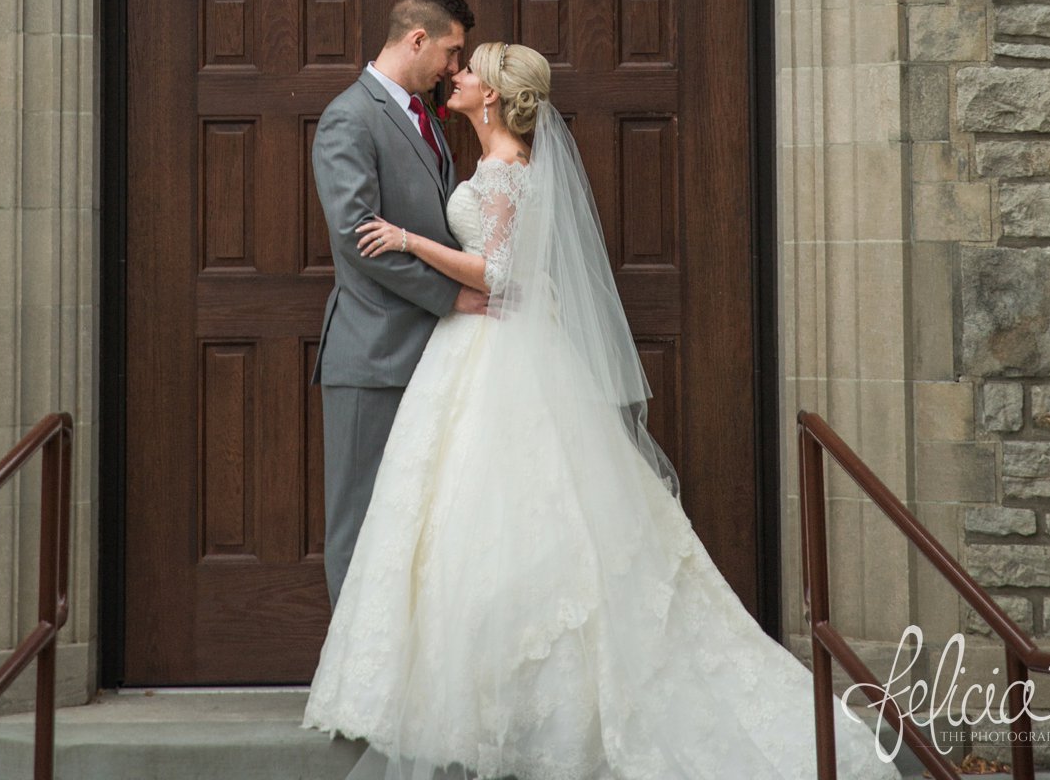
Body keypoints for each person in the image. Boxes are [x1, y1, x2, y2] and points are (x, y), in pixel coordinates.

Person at [303, 41, 896, 780]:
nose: (456, 77)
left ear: (491, 97)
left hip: (494, 344)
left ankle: (516, 701)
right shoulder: (490, 165)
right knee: (470, 514)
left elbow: (495, 273)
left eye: (469, 71)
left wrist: (407, 238)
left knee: (501, 513)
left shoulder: (508, 173)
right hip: (480, 348)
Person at [310, 0, 487, 606]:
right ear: (418, 39)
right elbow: (360, 237)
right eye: (452, 51)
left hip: (431, 357)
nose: (455, 69)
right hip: (373, 355)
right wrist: (451, 297)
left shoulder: (423, 117)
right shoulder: (348, 118)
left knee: (417, 524)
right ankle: (349, 691)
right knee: (359, 523)